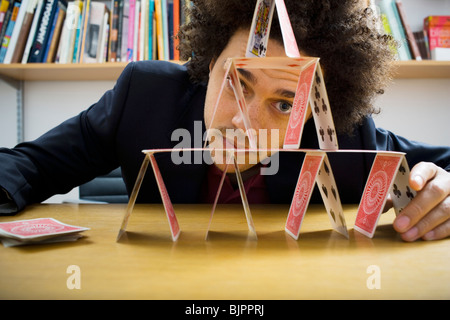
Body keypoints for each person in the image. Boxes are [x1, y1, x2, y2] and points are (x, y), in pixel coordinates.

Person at [0, 0, 449, 241]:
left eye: (285, 103)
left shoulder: (346, 140)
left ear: (317, 107)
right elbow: (30, 165)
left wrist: (443, 194)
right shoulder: (144, 96)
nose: (244, 123)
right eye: (238, 82)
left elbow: (442, 166)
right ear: (209, 59)